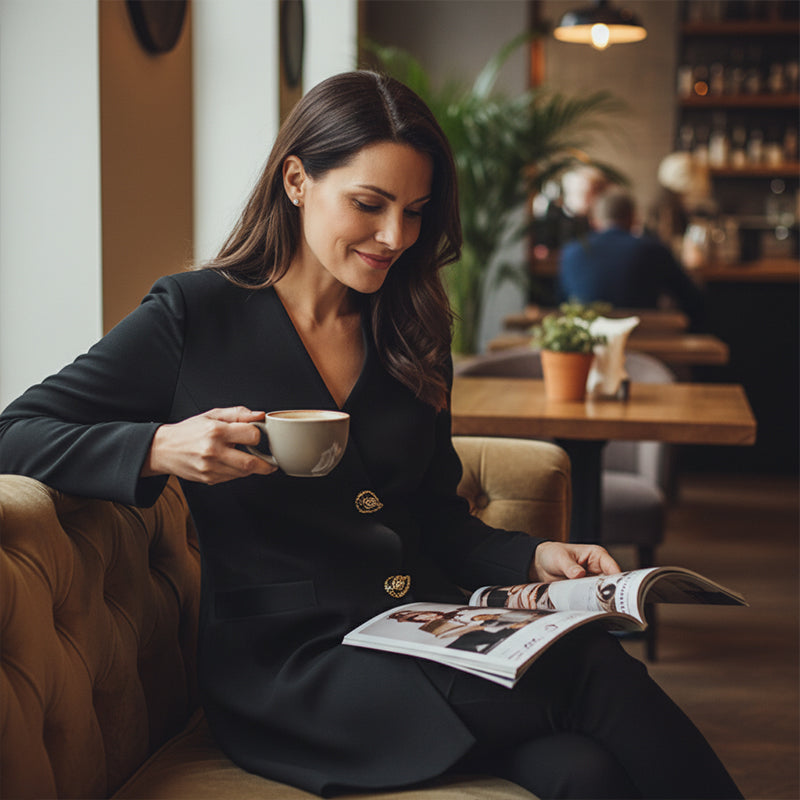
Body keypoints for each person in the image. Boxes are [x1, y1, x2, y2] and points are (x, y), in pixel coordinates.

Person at [0, 71, 741, 800]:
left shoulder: (410, 328)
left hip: (426, 631)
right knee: (595, 673)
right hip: (293, 674)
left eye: (415, 211)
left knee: (586, 772)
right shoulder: (194, 315)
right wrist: (159, 448)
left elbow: (435, 520)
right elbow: (15, 431)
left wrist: (535, 553)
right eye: (369, 204)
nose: (395, 237)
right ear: (296, 180)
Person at [558, 187, 705, 328]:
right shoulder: (654, 250)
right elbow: (691, 298)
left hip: (588, 340)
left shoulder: (571, 252)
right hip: (645, 341)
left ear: (594, 220)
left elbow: (561, 302)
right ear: (633, 218)